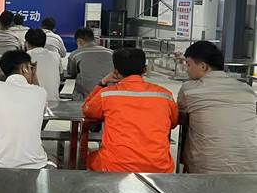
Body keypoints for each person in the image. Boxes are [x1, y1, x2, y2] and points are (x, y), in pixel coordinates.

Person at [83, 48, 178, 173]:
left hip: (114, 167)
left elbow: (88, 110)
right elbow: (173, 122)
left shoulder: (107, 94)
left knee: (89, 157)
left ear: (116, 72)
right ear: (145, 69)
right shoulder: (165, 95)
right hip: (159, 168)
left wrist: (102, 82)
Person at [177, 41, 257, 173]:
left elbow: (179, 116)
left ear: (203, 66)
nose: (187, 69)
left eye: (189, 64)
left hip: (206, 171)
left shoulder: (189, 90)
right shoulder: (246, 90)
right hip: (251, 169)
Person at [0, 50, 48, 169]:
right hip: (35, 164)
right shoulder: (41, 92)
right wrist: (34, 76)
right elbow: (41, 110)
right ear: (24, 69)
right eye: (30, 68)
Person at [67, 27, 114, 101]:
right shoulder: (111, 52)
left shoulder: (75, 54)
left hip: (87, 99)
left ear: (79, 41)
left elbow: (72, 73)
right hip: (110, 97)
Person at [25, 29, 61, 102]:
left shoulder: (25, 57)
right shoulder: (56, 55)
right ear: (44, 43)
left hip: (34, 103)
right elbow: (61, 75)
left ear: (27, 43)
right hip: (54, 101)